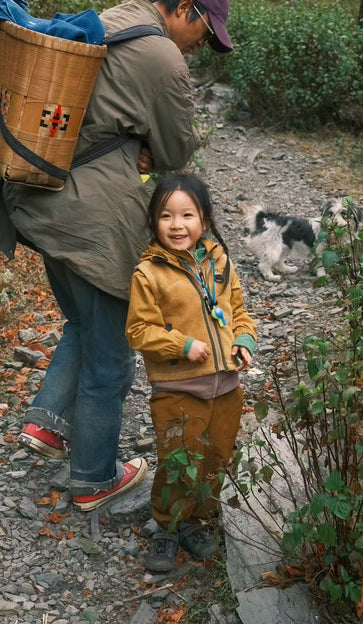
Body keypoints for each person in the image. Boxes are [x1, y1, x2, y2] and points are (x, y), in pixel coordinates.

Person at [0, 0, 233, 511]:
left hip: (42, 199)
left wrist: (129, 139)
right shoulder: (163, 57)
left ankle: (47, 421)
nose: (199, 44)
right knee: (111, 358)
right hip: (94, 219)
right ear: (186, 9)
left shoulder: (110, 19)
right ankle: (93, 479)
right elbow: (175, 154)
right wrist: (141, 146)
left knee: (84, 324)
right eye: (204, 31)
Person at [125, 173, 257, 571]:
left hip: (226, 386)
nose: (177, 224)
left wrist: (244, 342)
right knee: (178, 458)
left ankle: (195, 521)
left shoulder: (220, 262)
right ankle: (166, 528)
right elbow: (138, 330)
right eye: (166, 216)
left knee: (216, 456)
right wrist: (182, 344)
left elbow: (239, 313)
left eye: (187, 215)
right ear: (154, 221)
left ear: (205, 219)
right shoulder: (148, 274)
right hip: (178, 388)